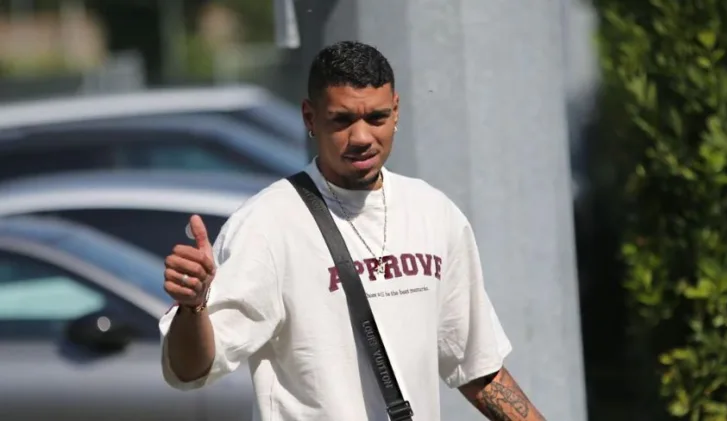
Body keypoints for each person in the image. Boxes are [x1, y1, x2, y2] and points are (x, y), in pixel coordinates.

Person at [160, 40, 547, 421]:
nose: (361, 138)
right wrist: (193, 308)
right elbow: (189, 369)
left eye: (376, 118)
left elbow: (477, 366)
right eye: (342, 120)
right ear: (310, 118)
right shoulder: (268, 224)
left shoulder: (434, 213)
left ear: (396, 111)